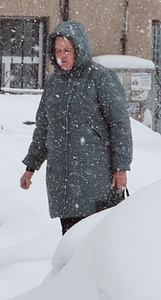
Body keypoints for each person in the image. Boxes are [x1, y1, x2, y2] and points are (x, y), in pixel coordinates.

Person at [18, 19, 131, 233]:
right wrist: (30, 167)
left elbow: (119, 125)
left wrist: (121, 167)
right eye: (58, 50)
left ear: (79, 49)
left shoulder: (100, 78)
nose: (62, 55)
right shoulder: (53, 84)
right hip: (63, 182)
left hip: (95, 178)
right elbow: (43, 129)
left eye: (67, 50)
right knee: (69, 240)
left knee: (93, 240)